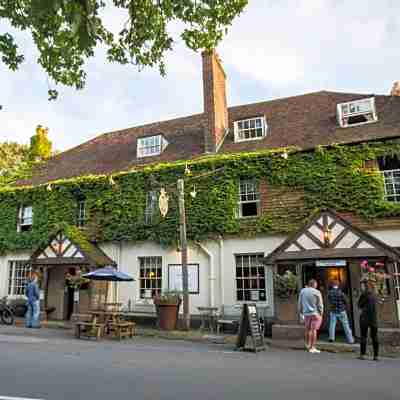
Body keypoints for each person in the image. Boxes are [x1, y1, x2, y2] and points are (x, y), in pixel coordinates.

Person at [298, 279, 324, 353]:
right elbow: (320, 304)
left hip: (306, 313)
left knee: (307, 329)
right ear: (314, 284)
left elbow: (299, 302)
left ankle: (307, 345)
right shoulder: (317, 292)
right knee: (314, 330)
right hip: (315, 313)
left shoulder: (303, 291)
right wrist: (321, 313)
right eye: (316, 284)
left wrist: (300, 312)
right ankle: (312, 347)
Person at [358, 279, 379, 361]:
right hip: (373, 318)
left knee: (363, 336)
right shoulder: (375, 294)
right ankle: (376, 356)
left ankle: (362, 354)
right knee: (375, 337)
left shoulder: (364, 294)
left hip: (364, 318)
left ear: (365, 285)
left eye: (362, 285)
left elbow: (359, 305)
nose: (361, 286)